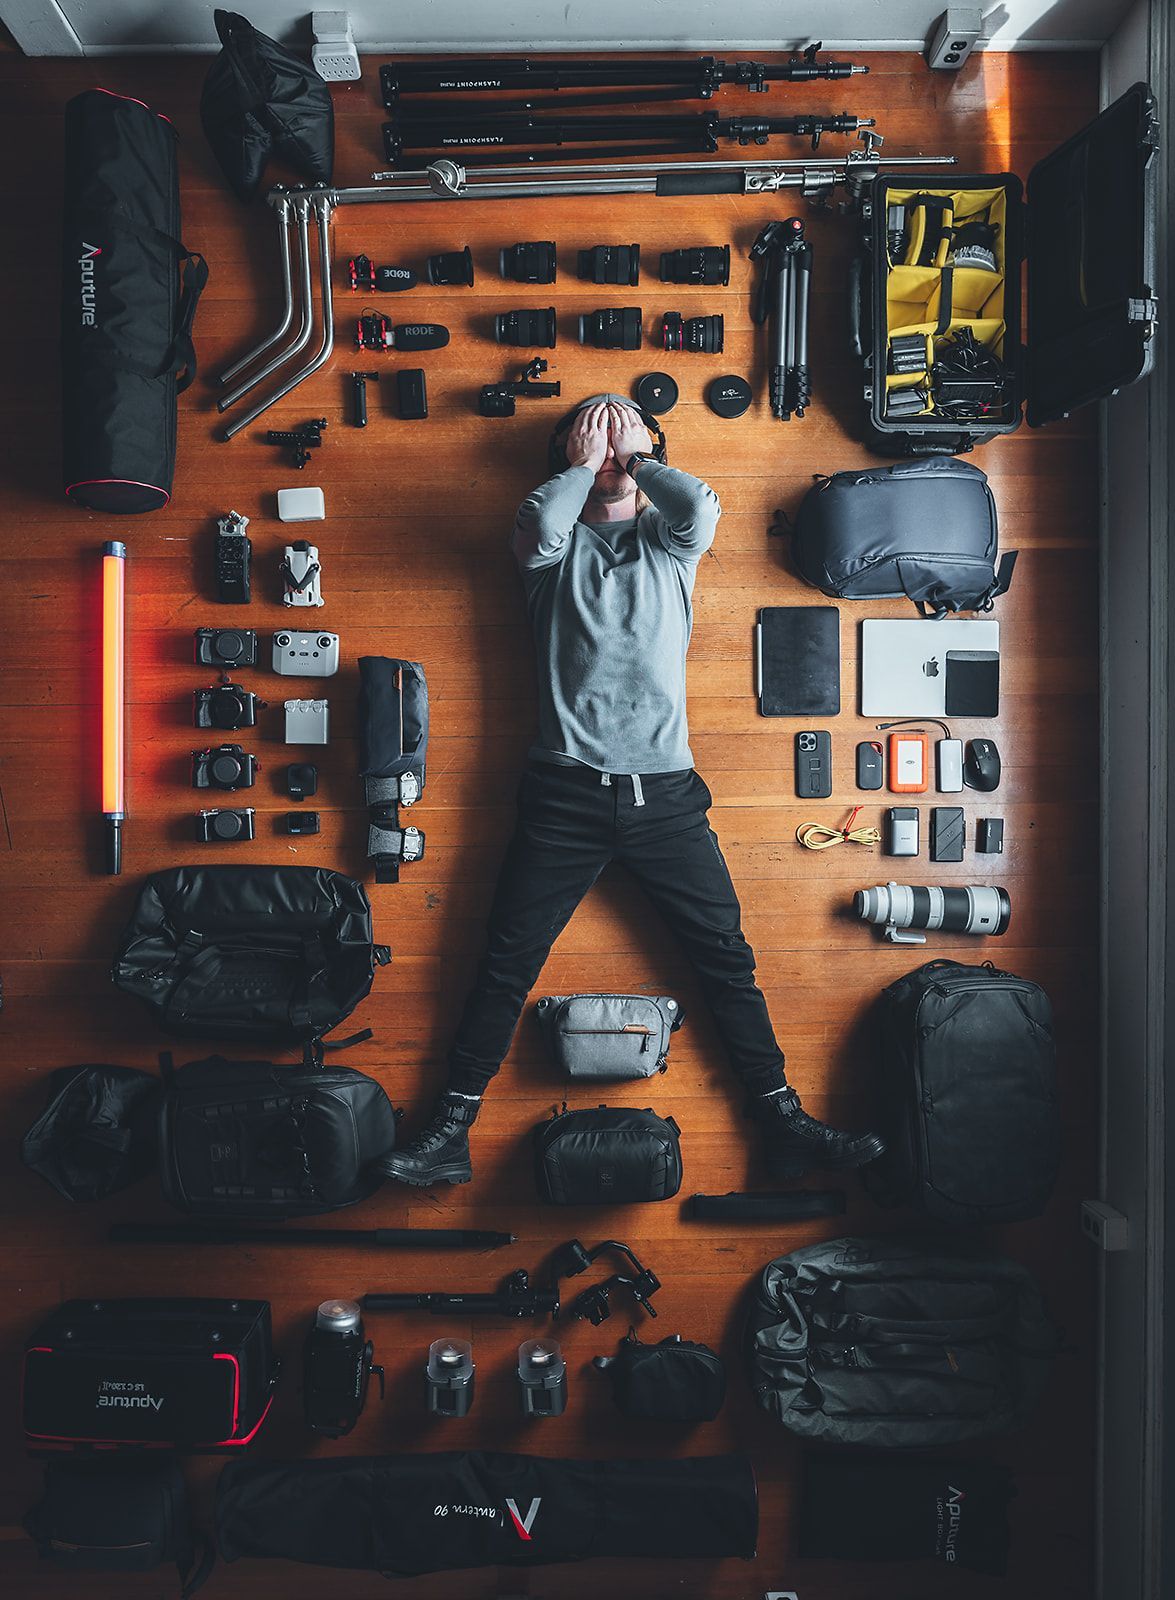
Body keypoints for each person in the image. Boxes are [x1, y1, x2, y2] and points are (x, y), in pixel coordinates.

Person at [379, 395, 884, 1186]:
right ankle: (448, 1130)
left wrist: (637, 456)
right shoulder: (546, 551)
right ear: (568, 458)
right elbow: (540, 521)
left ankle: (779, 1120)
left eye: (628, 439)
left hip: (667, 800)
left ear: (652, 455)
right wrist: (586, 466)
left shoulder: (670, 544)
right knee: (505, 963)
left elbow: (701, 508)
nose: (612, 451)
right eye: (594, 438)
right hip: (564, 795)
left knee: (725, 962)